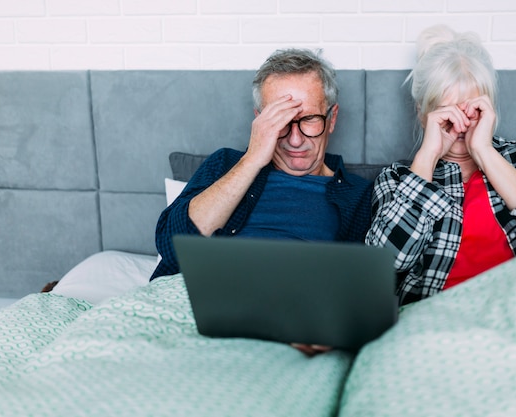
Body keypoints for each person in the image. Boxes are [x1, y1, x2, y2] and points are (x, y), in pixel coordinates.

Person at [151, 48, 373, 355]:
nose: (295, 140)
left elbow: (360, 290)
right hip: (190, 311)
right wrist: (253, 158)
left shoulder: (357, 195)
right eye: (280, 122)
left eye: (308, 119)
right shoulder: (225, 164)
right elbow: (171, 246)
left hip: (285, 328)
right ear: (259, 121)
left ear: (332, 118)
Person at [365, 25, 516, 306]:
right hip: (434, 321)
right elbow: (386, 264)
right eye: (447, 114)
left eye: (473, 111)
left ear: (490, 108)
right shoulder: (397, 179)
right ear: (422, 113)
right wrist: (428, 156)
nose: (461, 125)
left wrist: (483, 151)